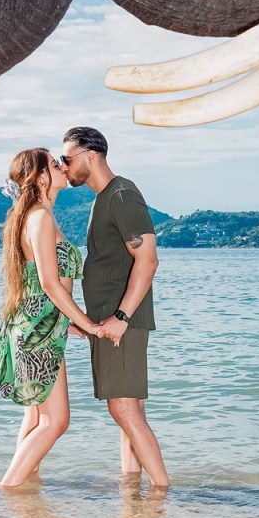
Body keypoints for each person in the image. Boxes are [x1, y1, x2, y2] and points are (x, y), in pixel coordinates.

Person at [0, 147, 114, 488]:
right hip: (39, 330)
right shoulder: (40, 218)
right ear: (40, 178)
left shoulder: (36, 216)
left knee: (36, 416)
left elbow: (39, 284)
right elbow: (49, 283)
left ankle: (25, 491)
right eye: (53, 163)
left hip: (38, 324)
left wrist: (70, 322)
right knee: (56, 420)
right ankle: (8, 488)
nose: (62, 166)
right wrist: (89, 324)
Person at [59, 126, 169, 487]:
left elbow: (148, 260)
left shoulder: (122, 194)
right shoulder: (103, 197)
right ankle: (132, 487)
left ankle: (162, 491)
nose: (63, 166)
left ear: (90, 156)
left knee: (122, 407)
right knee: (129, 409)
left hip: (121, 321)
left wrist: (122, 317)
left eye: (66, 158)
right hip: (109, 320)